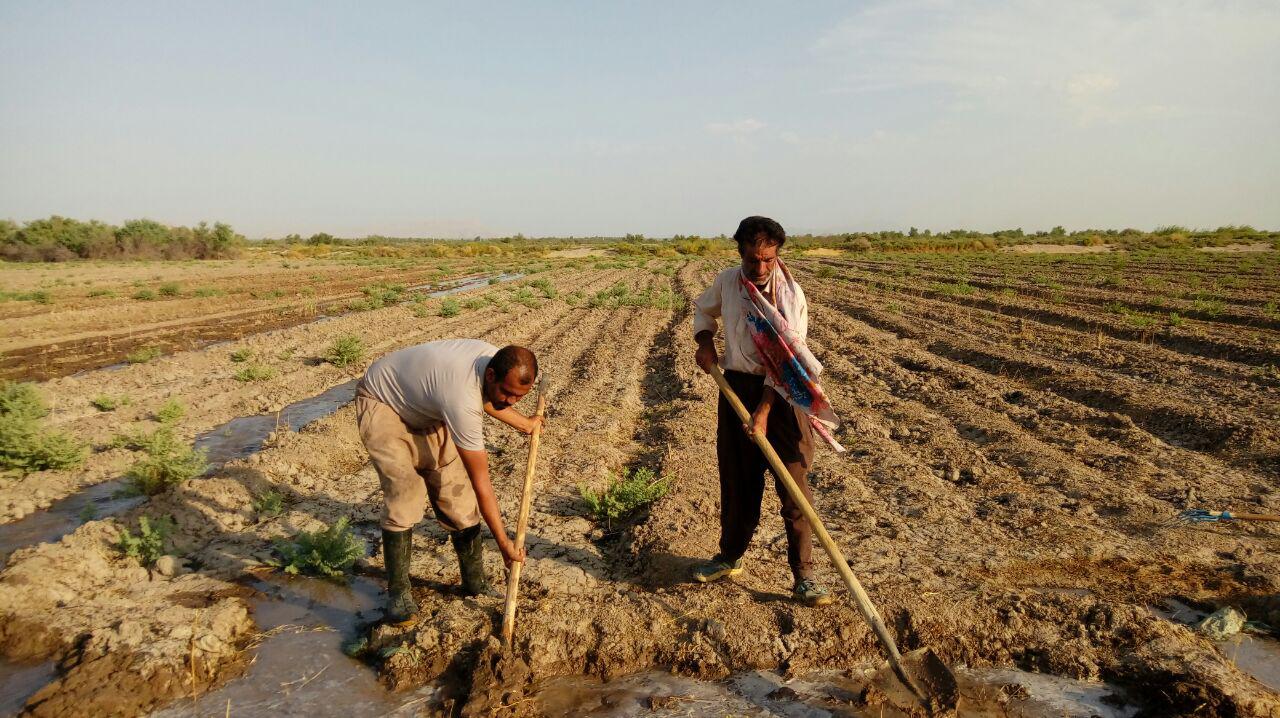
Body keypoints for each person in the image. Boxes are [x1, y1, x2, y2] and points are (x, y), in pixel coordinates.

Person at [690, 216, 843, 607]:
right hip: (736, 389)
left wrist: (763, 412)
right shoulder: (727, 282)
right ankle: (729, 557)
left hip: (782, 394)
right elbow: (703, 312)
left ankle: (804, 576)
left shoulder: (791, 298)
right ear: (739, 251)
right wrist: (705, 342)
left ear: (777, 256)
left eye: (768, 261)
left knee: (793, 486)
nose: (759, 269)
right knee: (739, 481)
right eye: (753, 259)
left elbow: (788, 365)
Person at [355, 338, 542, 624]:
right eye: (508, 393)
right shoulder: (461, 397)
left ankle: (474, 583)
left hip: (427, 405)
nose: (510, 402)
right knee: (406, 494)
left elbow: (492, 398)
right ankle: (399, 594)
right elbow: (482, 481)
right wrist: (503, 543)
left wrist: (525, 423)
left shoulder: (494, 362)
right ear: (491, 375)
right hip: (383, 401)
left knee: (458, 499)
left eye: (519, 397)